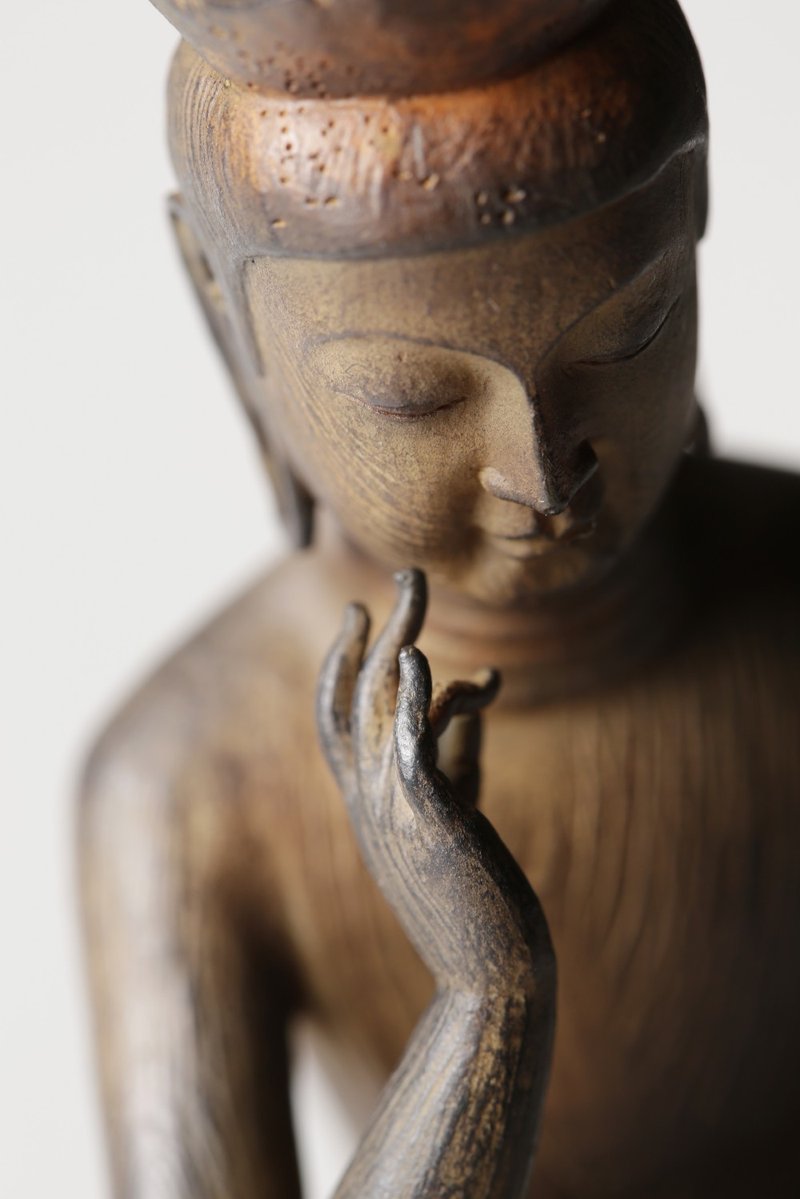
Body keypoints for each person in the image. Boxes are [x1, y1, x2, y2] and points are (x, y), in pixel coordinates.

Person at [79, 1, 800, 1194]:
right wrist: (483, 1002)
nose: (542, 472)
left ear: (695, 211)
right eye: (411, 397)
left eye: (628, 331)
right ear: (219, 302)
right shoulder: (189, 784)